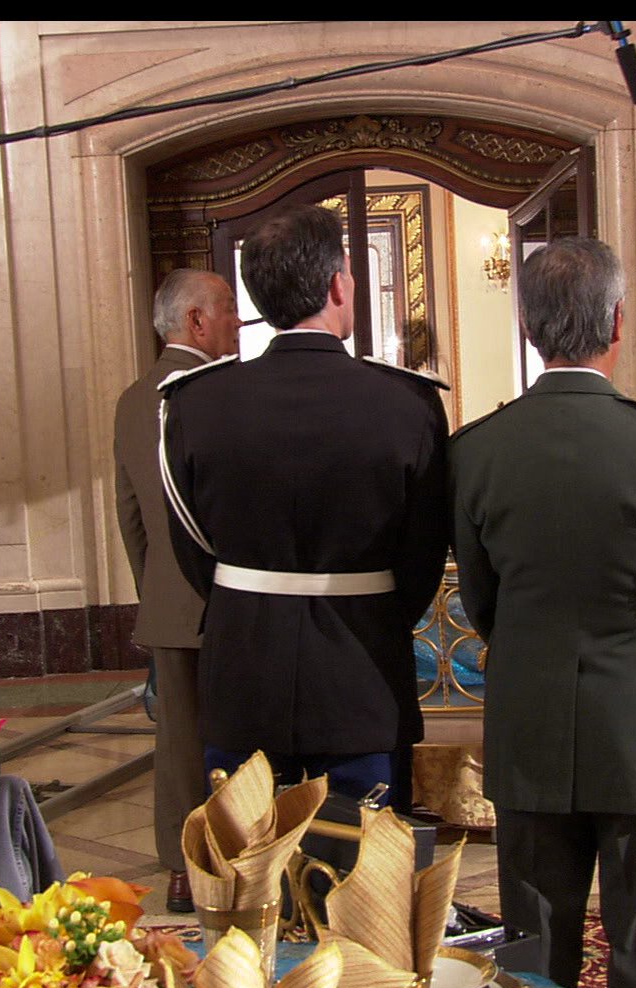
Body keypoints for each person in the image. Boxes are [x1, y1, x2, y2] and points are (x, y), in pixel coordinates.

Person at [450, 237, 636, 988]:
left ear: (529, 327)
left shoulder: (477, 450)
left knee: (537, 951)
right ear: (617, 321)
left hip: (530, 717)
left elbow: (482, 602)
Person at [159, 205, 450, 810]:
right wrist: (373, 609)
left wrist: (250, 598)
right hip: (363, 675)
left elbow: (196, 552)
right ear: (338, 285)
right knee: (363, 862)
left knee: (247, 859)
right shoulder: (406, 403)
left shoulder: (195, 404)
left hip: (242, 670)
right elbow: (423, 554)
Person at [113, 268, 240, 914]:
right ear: (196, 320)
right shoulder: (224, 393)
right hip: (237, 598)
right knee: (247, 736)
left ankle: (184, 870)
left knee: (180, 743)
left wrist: (158, 589)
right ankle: (244, 858)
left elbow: (129, 514)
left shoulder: (133, 399)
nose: (237, 322)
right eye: (227, 309)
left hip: (169, 600)